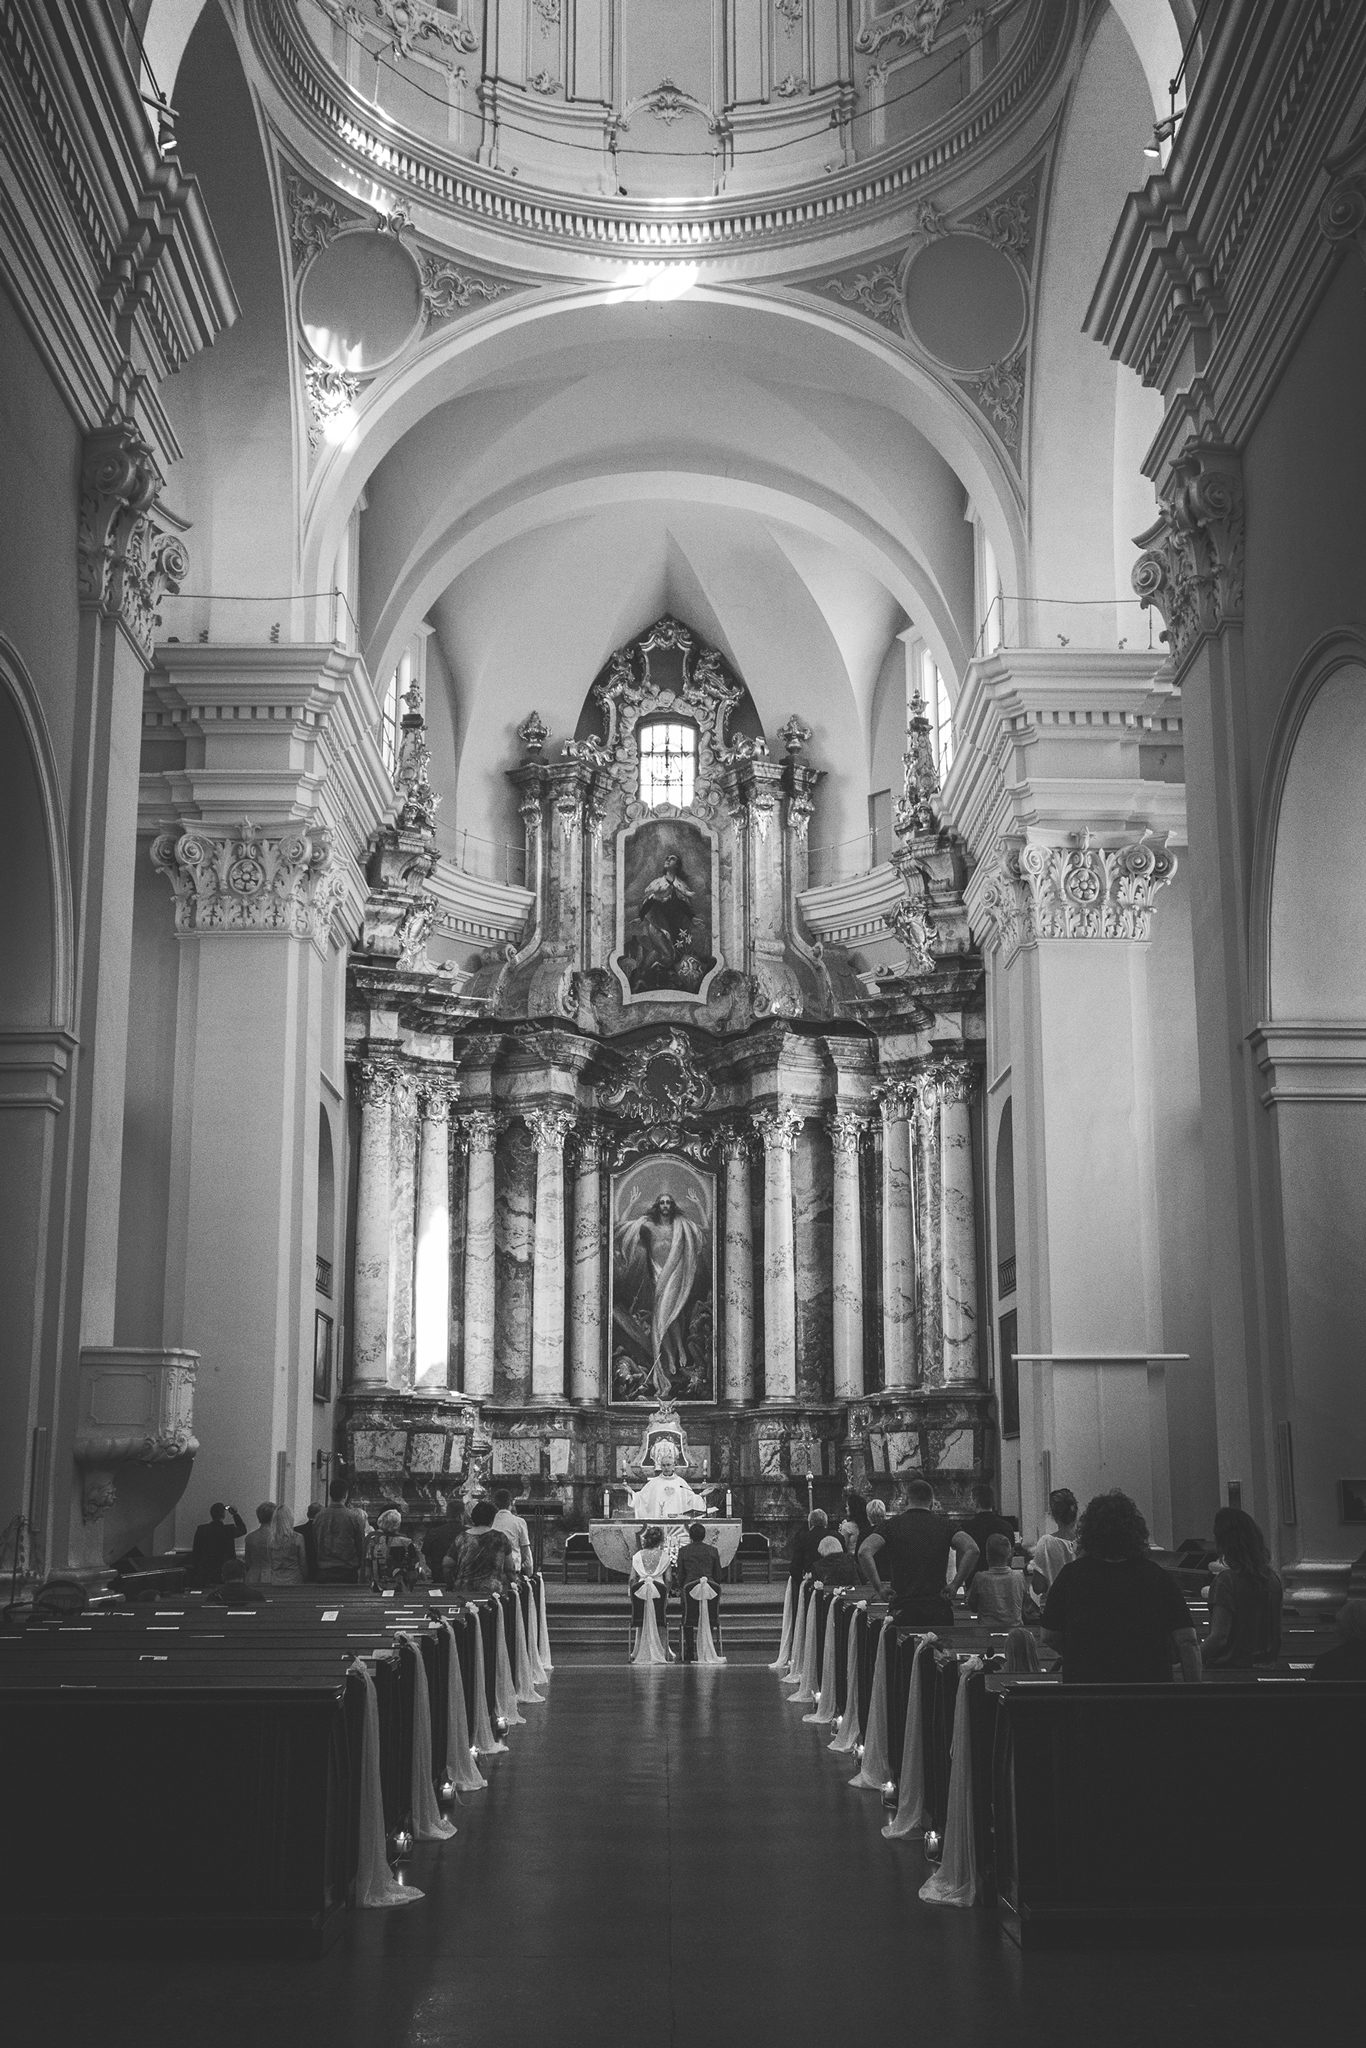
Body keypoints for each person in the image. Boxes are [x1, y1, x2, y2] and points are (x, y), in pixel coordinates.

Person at [1041, 1489, 1201, 1684]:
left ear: (1090, 1532)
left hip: (1088, 1689)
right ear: (1135, 1532)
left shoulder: (1071, 1576)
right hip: (1149, 1689)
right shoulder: (1157, 1577)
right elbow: (1187, 1640)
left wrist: (1080, 1653)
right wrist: (1193, 1691)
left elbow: (1049, 1635)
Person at [614, 1192, 709, 1401]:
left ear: (672, 1206)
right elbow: (622, 1229)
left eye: (668, 1202)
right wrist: (630, 1205)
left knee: (672, 1313)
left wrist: (699, 1206)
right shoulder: (648, 1226)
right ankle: (671, 1356)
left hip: (675, 1273)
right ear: (658, 1206)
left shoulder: (682, 1225)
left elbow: (703, 1232)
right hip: (657, 1274)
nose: (665, 1206)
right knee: (660, 1318)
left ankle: (680, 1350)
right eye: (662, 1203)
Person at [860, 1478, 978, 1626]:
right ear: (932, 1501)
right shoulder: (945, 1525)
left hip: (903, 1607)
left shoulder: (891, 1526)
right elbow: (972, 1549)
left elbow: (864, 1551)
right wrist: (955, 1584)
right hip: (938, 1607)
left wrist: (879, 1587)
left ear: (906, 1500)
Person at [1202, 1506, 1282, 1668]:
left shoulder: (1226, 1581)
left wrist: (1190, 1658)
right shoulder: (1272, 1579)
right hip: (1266, 1668)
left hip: (1230, 1670)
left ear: (1225, 1543)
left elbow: (1219, 1637)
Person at [628, 1439, 713, 1521]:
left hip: (678, 1524)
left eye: (668, 1465)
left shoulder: (681, 1483)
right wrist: (631, 1493)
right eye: (663, 1465)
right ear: (661, 1467)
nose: (666, 1467)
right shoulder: (654, 1483)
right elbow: (641, 1499)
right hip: (659, 1522)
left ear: (673, 1466)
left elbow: (691, 1500)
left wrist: (702, 1495)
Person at [675, 1519, 723, 1661]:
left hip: (689, 1589)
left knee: (688, 1616)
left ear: (690, 1536)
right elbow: (718, 1575)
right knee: (710, 1613)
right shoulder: (712, 1551)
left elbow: (680, 1575)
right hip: (709, 1588)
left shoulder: (683, 1551)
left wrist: (683, 1586)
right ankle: (708, 1646)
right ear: (704, 1535)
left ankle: (690, 1649)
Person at [445, 1501, 513, 1597]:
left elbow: (447, 1564)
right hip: (492, 1592)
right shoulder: (500, 1538)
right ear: (492, 1519)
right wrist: (515, 1583)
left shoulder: (462, 1538)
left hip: (464, 1591)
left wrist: (450, 1585)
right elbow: (509, 1568)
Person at [629, 1523, 673, 1663]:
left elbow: (632, 1579)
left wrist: (634, 1594)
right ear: (660, 1541)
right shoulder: (664, 1557)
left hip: (641, 1592)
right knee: (660, 1618)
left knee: (641, 1617)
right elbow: (669, 1579)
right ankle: (662, 1650)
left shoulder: (637, 1556)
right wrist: (665, 1593)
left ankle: (637, 1650)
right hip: (659, 1592)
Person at [313, 1479, 369, 1586]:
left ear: (330, 1494)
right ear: (346, 1495)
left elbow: (316, 1543)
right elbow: (360, 1545)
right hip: (347, 1570)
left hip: (324, 1569)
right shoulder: (353, 1517)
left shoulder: (319, 1517)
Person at [968, 1532, 1029, 1626]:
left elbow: (973, 1606)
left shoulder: (980, 1578)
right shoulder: (1019, 1576)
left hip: (987, 1630)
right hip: (1014, 1629)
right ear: (1009, 1554)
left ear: (987, 1555)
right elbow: (1024, 1603)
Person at [1028, 1488, 1079, 1600]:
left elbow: (1038, 1587)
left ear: (1053, 1515)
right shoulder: (1086, 1542)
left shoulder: (1046, 1542)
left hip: (1056, 1604)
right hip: (1082, 1605)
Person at [962, 1482, 1015, 1585]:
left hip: (974, 1581)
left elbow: (963, 1558)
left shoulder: (967, 1527)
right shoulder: (1006, 1526)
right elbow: (1010, 1555)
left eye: (970, 1499)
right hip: (1002, 1581)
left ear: (975, 1502)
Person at [188, 1501, 246, 1588]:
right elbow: (243, 1529)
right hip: (225, 1569)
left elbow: (196, 1551)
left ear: (211, 1514)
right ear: (223, 1515)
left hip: (206, 1570)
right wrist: (235, 1514)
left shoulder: (202, 1529)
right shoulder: (228, 1530)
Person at [1308, 1597, 1366, 1681]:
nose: (1335, 1629)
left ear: (1344, 1628)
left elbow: (1314, 1688)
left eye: (1337, 1624)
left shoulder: (1328, 1661)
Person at [491, 1488, 533, 1574]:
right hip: (513, 1569)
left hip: (492, 1569)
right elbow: (525, 1551)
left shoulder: (490, 1521)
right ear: (511, 1503)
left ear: (495, 1504)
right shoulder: (519, 1522)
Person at [422, 1499, 465, 1583]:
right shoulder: (469, 1534)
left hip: (439, 1578)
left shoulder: (433, 1533)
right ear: (461, 1515)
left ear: (447, 1514)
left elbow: (427, 1558)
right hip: (463, 1579)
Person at [788, 1508, 830, 1589]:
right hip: (834, 1583)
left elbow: (794, 1568)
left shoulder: (803, 1538)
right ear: (826, 1523)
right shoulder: (837, 1536)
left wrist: (802, 1582)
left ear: (810, 1523)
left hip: (811, 1582)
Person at [857, 1498, 889, 1590]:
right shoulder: (890, 1531)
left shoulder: (864, 1533)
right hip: (889, 1574)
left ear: (868, 1516)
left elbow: (858, 1556)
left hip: (871, 1577)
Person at [242, 1502, 276, 1585]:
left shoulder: (250, 1537)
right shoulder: (277, 1537)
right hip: (273, 1575)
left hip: (253, 1575)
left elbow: (248, 1561)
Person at [295, 1500, 321, 1582]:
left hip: (300, 1569)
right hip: (319, 1570)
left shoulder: (296, 1530)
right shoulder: (323, 1531)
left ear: (307, 1514)